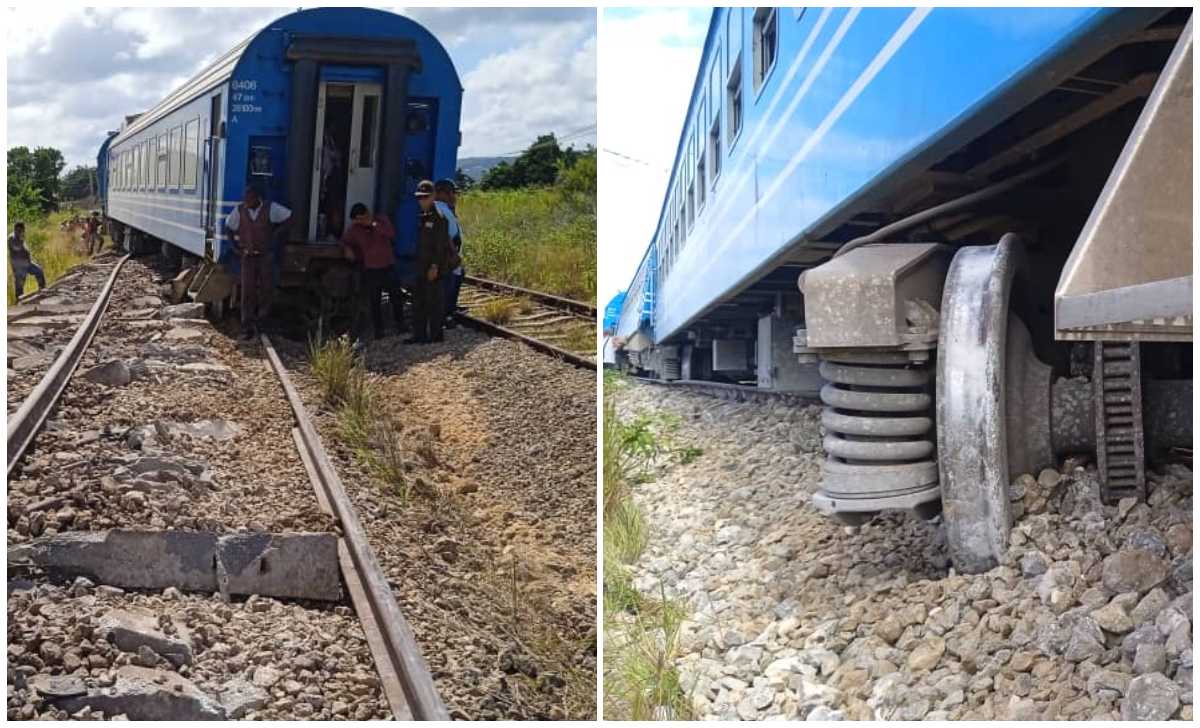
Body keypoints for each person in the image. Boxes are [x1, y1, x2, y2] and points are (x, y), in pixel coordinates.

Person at [224, 185, 293, 340]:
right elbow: (228, 227)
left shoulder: (271, 208)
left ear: (258, 198)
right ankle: (246, 324)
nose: (245, 201)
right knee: (247, 289)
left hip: (265, 255)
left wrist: (276, 234)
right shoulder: (239, 210)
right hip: (247, 256)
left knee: (266, 287)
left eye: (249, 198)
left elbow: (290, 218)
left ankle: (262, 320)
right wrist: (235, 247)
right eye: (245, 198)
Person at [340, 202, 404, 340]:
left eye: (361, 219)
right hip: (371, 270)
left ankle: (401, 325)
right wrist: (347, 248)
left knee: (396, 298)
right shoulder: (355, 230)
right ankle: (378, 331)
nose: (359, 222)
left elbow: (391, 234)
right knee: (374, 303)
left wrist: (373, 224)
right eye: (357, 220)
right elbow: (345, 240)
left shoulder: (381, 220)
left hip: (388, 266)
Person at [408, 180, 457, 344]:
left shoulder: (439, 219)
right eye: (420, 198)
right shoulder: (423, 216)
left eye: (425, 197)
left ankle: (436, 336)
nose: (422, 201)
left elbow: (440, 247)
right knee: (419, 302)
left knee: (434, 303)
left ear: (433, 196)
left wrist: (434, 267)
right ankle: (419, 334)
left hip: (433, 268)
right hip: (421, 266)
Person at [434, 178, 465, 328]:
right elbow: (443, 235)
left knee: (456, 280)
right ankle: (444, 317)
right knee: (447, 286)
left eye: (453, 192)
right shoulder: (438, 209)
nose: (453, 196)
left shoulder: (445, 208)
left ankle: (451, 310)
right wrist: (453, 253)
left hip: (452, 255)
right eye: (450, 193)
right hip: (447, 256)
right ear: (440, 193)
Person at [9, 222, 45, 300]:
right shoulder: (12, 238)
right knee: (20, 284)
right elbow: (16, 248)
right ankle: (19, 302)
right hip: (18, 265)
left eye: (23, 230)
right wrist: (21, 241)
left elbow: (25, 249)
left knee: (39, 272)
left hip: (27, 263)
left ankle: (42, 291)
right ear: (16, 229)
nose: (22, 231)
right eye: (20, 230)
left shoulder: (20, 236)